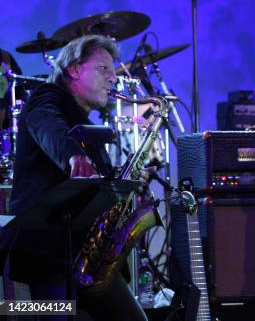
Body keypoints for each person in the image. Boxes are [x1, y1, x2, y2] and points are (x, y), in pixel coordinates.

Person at [0, 35, 147, 320]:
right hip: (52, 255)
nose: (113, 79)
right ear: (74, 69)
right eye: (103, 69)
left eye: (113, 71)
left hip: (86, 260)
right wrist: (73, 156)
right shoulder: (46, 97)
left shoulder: (86, 122)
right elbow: (48, 125)